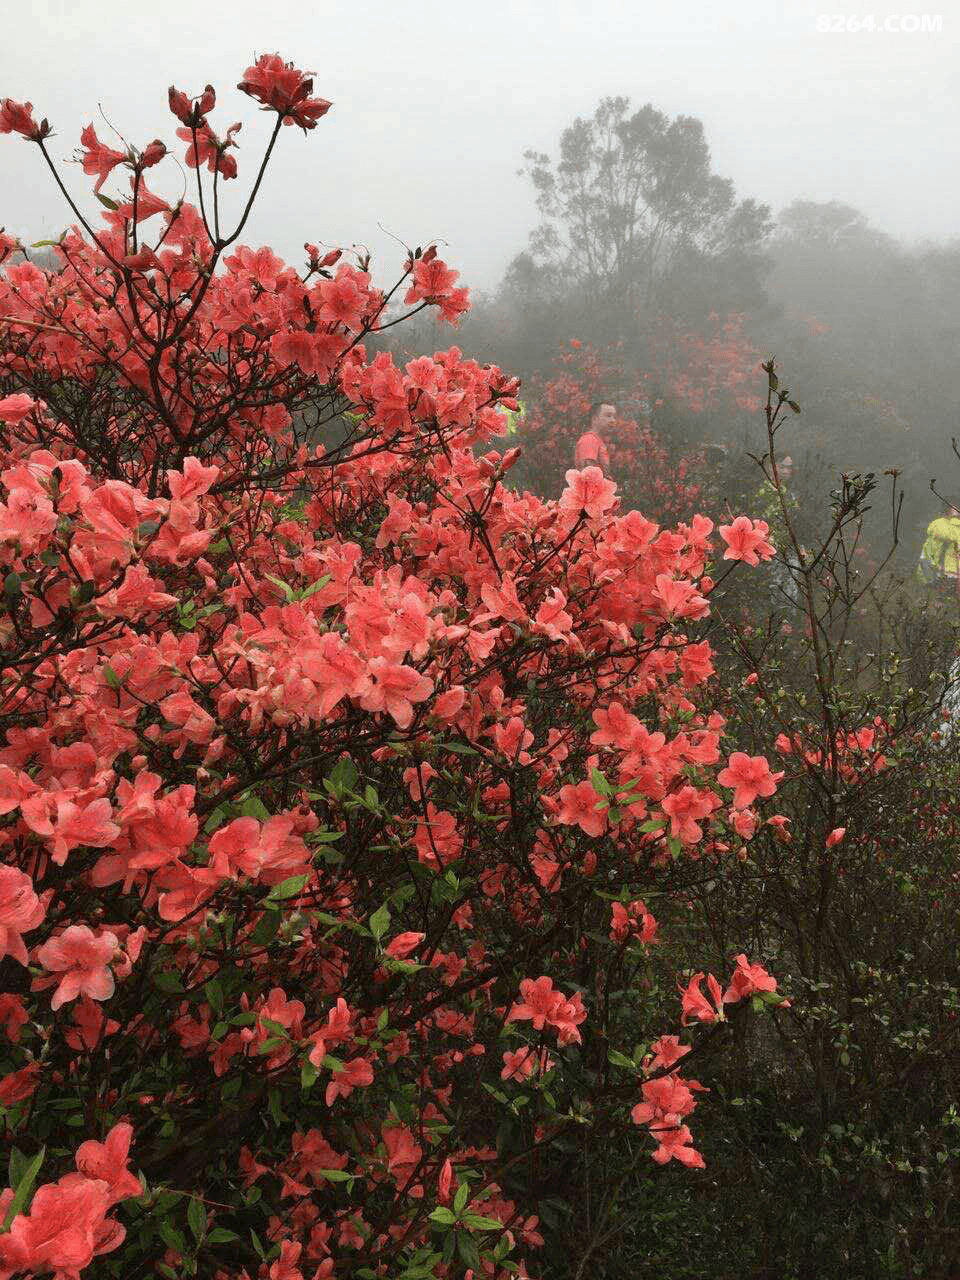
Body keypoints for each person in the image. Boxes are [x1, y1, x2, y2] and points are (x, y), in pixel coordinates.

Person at [918, 502, 960, 597]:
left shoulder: (939, 525)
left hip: (942, 576)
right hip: (947, 576)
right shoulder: (942, 525)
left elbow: (925, 558)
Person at [574, 402, 616, 474]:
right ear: (594, 419)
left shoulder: (597, 440)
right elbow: (588, 476)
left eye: (614, 417)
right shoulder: (589, 439)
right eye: (608, 416)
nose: (613, 420)